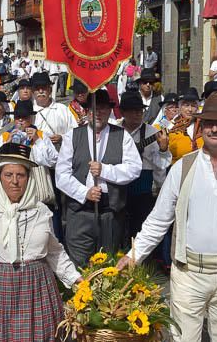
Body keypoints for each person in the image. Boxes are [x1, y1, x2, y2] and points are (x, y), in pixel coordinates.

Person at [117, 92, 217, 342]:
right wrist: (134, 255)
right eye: (208, 123)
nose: (214, 129)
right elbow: (159, 219)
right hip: (188, 273)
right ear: (200, 127)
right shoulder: (182, 167)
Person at [0, 142, 81, 341]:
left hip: (36, 286)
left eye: (21, 175)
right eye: (8, 175)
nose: (15, 181)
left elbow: (54, 251)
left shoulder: (41, 212)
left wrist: (75, 279)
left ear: (29, 178)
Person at [56, 89, 141, 265]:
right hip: (80, 212)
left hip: (110, 212)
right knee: (79, 264)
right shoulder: (73, 136)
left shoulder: (122, 135)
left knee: (108, 264)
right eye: (94, 108)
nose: (98, 113)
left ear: (109, 111)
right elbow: (61, 175)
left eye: (102, 108)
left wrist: (105, 171)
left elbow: (134, 168)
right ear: (86, 111)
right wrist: (83, 192)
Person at [116, 91, 171, 247]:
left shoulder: (152, 132)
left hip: (142, 186)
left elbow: (160, 166)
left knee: (140, 228)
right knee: (118, 228)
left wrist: (163, 149)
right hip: (118, 186)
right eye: (133, 110)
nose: (137, 114)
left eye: (140, 110)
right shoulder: (114, 130)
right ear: (123, 112)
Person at [31, 72, 77, 149]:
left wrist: (62, 138)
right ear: (33, 92)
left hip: (61, 155)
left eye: (44, 88)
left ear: (50, 90)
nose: (41, 91)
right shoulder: (29, 113)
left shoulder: (62, 109)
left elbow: (75, 132)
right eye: (37, 88)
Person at [167, 88, 204, 163]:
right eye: (186, 105)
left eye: (193, 106)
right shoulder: (171, 127)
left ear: (197, 108)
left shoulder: (204, 126)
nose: (190, 109)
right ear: (180, 107)